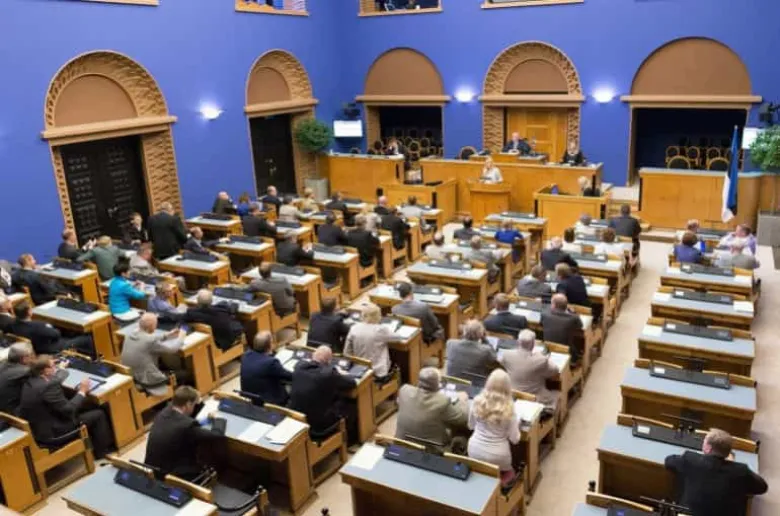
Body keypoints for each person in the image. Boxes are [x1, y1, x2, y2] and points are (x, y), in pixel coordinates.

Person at [20, 355, 112, 458]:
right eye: (53, 366)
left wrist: (61, 369)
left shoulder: (30, 382)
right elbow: (69, 410)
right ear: (46, 371)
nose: (56, 368)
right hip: (55, 433)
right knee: (99, 414)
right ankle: (102, 452)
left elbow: (55, 383)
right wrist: (82, 391)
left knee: (87, 405)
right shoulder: (48, 386)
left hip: (40, 430)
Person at [665, 428, 767, 516]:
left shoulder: (691, 459)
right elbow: (762, 487)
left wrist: (700, 457)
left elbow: (668, 461)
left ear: (708, 448)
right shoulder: (740, 471)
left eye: (704, 441)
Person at [145, 386, 224, 480]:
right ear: (188, 404)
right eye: (194, 405)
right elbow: (216, 435)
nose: (195, 406)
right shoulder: (187, 426)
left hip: (151, 471)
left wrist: (198, 402)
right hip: (171, 477)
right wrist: (218, 418)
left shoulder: (163, 413)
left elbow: (188, 415)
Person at [289, 345, 357, 440]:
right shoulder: (329, 374)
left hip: (296, 419)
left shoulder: (299, 366)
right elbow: (352, 383)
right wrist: (339, 372)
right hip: (318, 426)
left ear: (312, 356)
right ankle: (350, 439)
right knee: (349, 403)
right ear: (329, 361)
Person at [467, 369, 521, 485]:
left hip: (474, 451)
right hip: (499, 458)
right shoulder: (510, 409)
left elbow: (470, 426)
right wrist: (516, 423)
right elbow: (515, 440)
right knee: (513, 471)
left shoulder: (477, 401)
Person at [395, 367, 468, 452]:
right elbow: (463, 419)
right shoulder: (443, 401)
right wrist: (462, 402)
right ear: (438, 384)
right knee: (462, 432)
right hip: (430, 452)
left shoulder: (404, 390)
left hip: (401, 446)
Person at [121, 313, 189, 393]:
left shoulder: (130, 334)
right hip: (148, 381)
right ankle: (175, 395)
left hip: (133, 376)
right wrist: (181, 337)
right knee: (184, 373)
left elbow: (149, 338)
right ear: (152, 326)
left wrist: (167, 335)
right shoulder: (150, 341)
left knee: (162, 363)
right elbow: (172, 349)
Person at [500, 330, 559, 408]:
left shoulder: (507, 355)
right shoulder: (541, 359)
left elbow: (502, 367)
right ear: (533, 344)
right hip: (535, 396)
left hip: (514, 393)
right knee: (556, 395)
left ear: (518, 342)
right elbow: (555, 371)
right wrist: (546, 358)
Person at [12, 302, 94, 356]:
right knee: (87, 338)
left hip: (37, 349)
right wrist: (49, 326)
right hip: (51, 349)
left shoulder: (12, 325)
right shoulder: (38, 326)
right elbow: (56, 334)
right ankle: (92, 357)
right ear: (29, 312)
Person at [240, 331, 291, 406]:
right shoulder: (271, 362)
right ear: (270, 345)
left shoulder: (246, 356)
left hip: (249, 398)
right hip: (268, 402)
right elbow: (289, 376)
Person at [344, 303, 394, 381]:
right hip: (378, 373)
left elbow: (347, 352)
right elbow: (396, 339)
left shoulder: (353, 328)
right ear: (378, 316)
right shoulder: (382, 329)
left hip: (359, 370)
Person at [541, 294, 582, 362]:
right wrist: (573, 312)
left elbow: (541, 323)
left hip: (548, 349)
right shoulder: (574, 317)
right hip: (567, 351)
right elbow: (580, 326)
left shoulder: (545, 314)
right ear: (566, 305)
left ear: (553, 305)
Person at [0, 342, 38, 414]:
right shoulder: (25, 372)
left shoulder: (2, 364)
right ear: (24, 358)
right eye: (32, 354)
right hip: (10, 412)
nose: (34, 356)